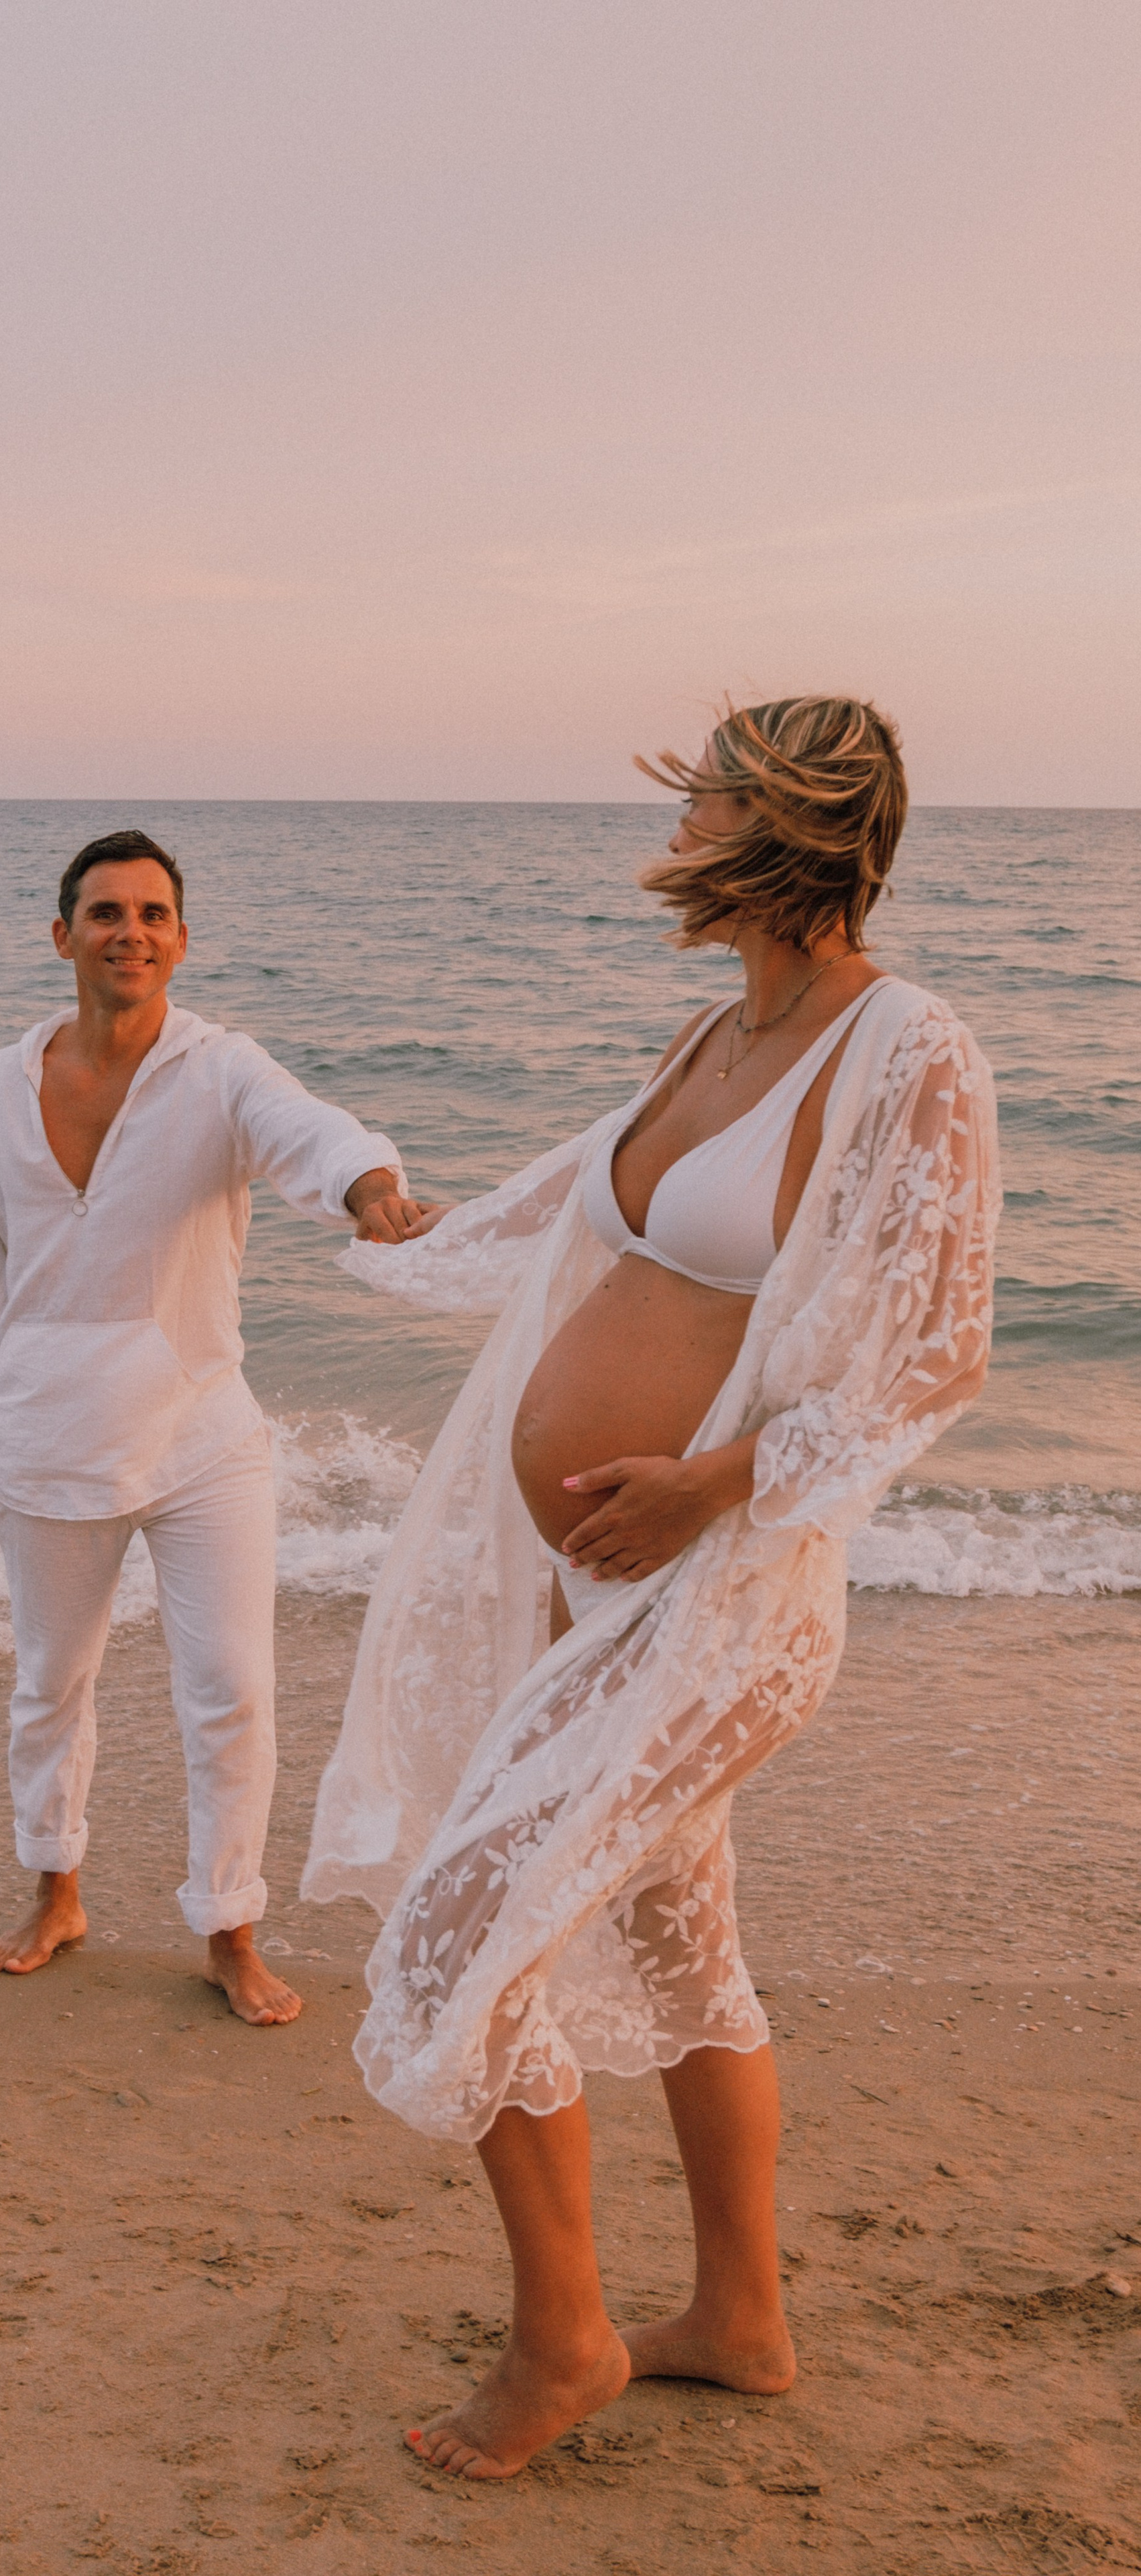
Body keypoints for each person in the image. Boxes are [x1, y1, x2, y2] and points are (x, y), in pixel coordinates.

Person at [303, 697, 1000, 2470]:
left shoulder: (910, 1047)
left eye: (706, 794)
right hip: (589, 1589)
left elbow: (938, 1351)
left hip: (728, 1596)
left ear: (784, 828)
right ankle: (744, 2320)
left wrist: (713, 1483)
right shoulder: (715, 1029)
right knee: (690, 1945)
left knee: (460, 1938)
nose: (674, 822)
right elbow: (583, 1215)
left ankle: (566, 2346)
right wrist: (393, 1223)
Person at [0, 828, 426, 2027]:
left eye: (150, 913)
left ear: (181, 940)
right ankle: (57, 1891)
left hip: (204, 1438)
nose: (128, 932)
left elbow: (311, 1131)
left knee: (232, 1687)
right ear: (63, 937)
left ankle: (228, 1928)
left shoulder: (221, 1070)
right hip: (45, 1430)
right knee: (51, 1682)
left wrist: (370, 1189)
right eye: (104, 913)